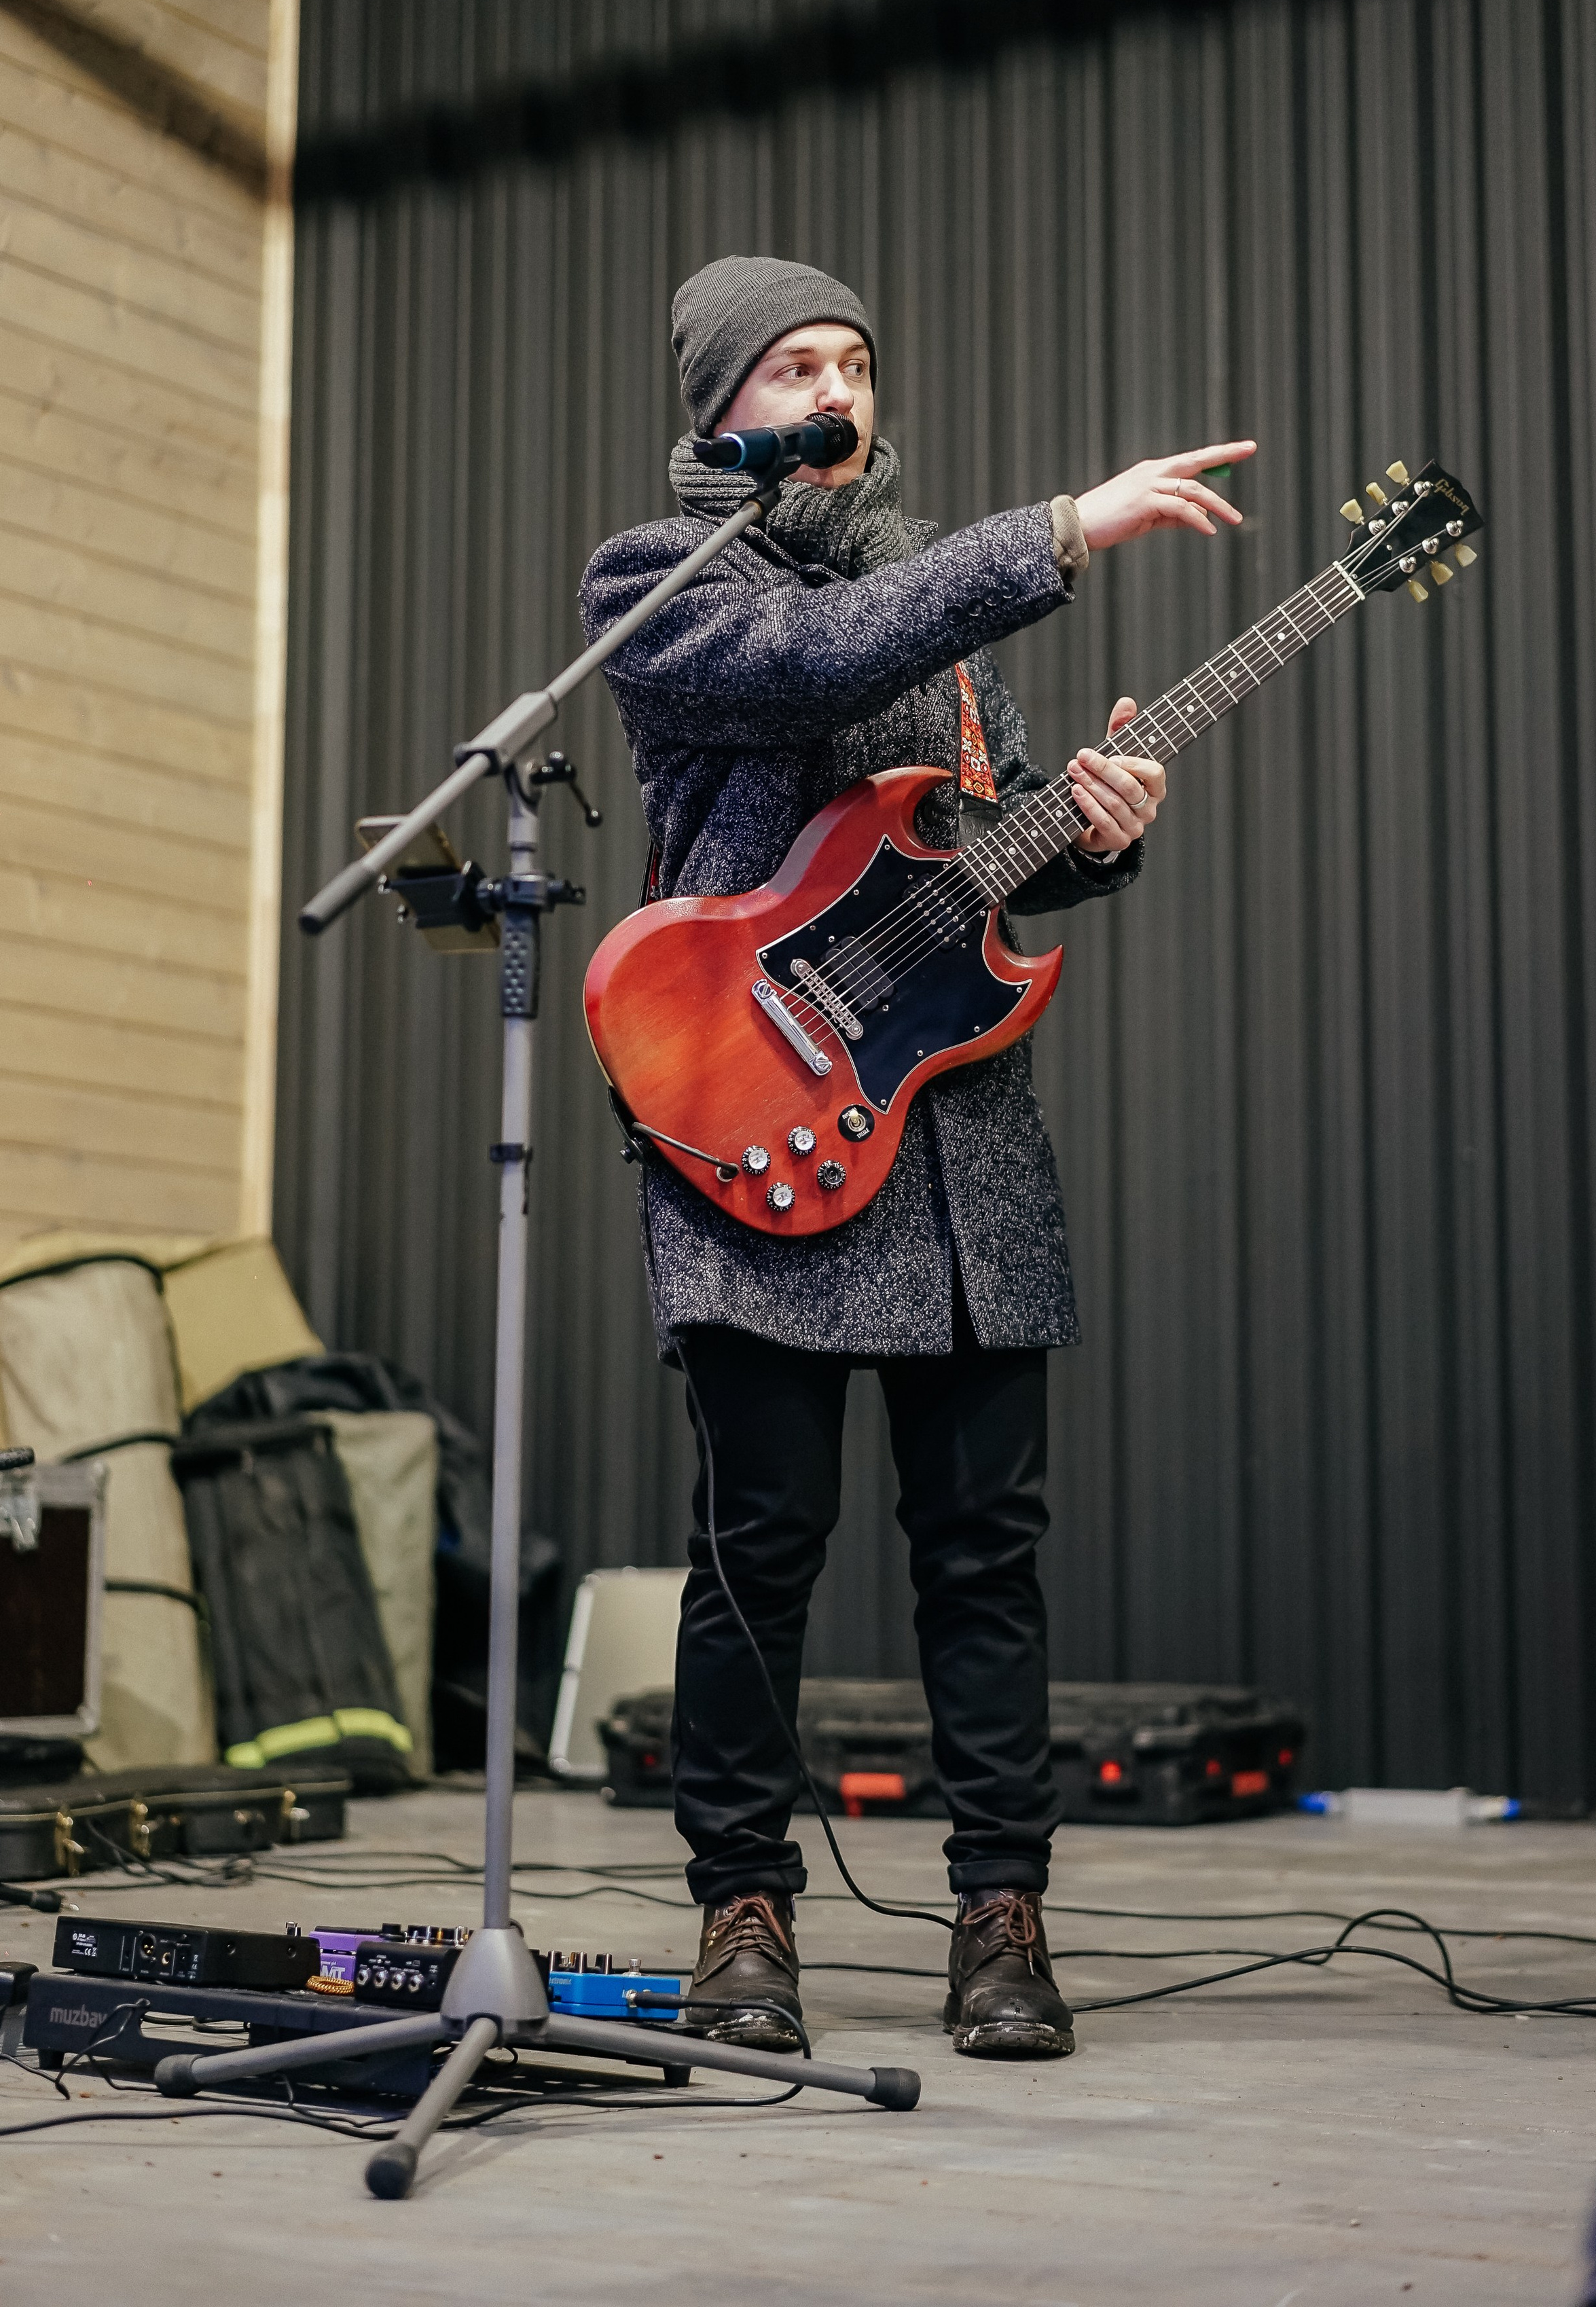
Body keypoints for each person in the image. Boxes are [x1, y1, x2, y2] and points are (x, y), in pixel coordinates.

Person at [581, 255, 1252, 2060]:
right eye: (797, 363)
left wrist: (1093, 830)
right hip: (754, 1119)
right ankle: (741, 1918)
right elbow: (814, 664)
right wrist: (1065, 531)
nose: (838, 387)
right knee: (758, 1554)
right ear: (725, 405)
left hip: (961, 1149)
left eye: (857, 360)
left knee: (987, 1558)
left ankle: (1001, 1918)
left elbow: (979, 865)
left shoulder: (945, 608)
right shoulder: (655, 583)